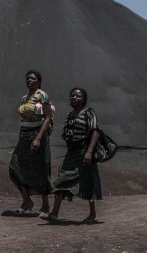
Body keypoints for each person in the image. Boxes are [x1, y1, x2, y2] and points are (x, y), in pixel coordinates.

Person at [41, 87, 102, 224]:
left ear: (83, 99)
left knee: (89, 181)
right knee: (62, 179)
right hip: (71, 153)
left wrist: (89, 152)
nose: (74, 98)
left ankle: (93, 215)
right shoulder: (69, 115)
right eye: (72, 95)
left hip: (84, 152)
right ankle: (54, 214)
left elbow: (95, 132)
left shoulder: (88, 113)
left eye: (78, 96)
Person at [8, 70, 53, 215]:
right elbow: (23, 120)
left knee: (40, 168)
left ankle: (46, 206)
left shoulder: (42, 95)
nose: (30, 80)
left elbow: (47, 117)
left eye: (33, 78)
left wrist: (39, 138)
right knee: (14, 167)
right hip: (24, 137)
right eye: (28, 78)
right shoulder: (24, 98)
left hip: (37, 136)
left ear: (39, 81)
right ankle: (27, 200)